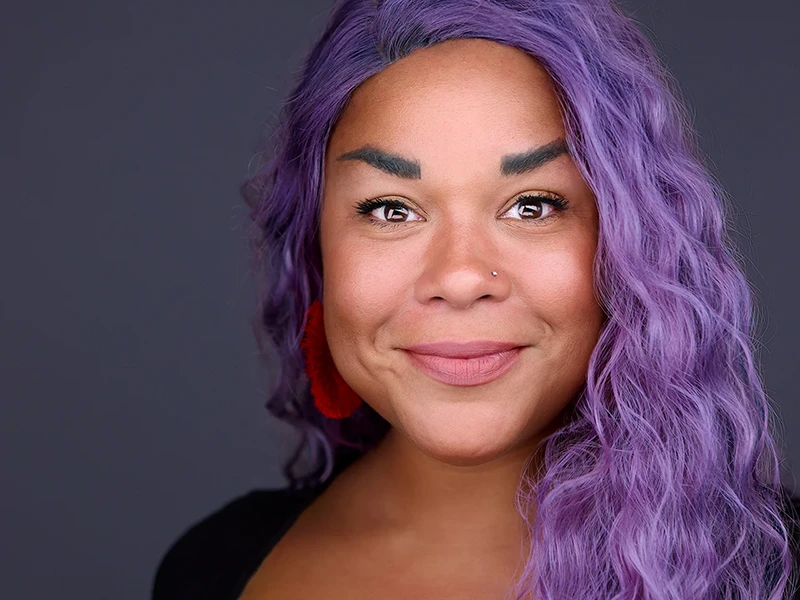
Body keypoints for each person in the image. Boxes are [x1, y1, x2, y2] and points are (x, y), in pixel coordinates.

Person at [151, 0, 800, 598]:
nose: (461, 278)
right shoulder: (210, 568)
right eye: (391, 209)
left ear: (632, 248)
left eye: (532, 206)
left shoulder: (769, 571)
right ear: (317, 251)